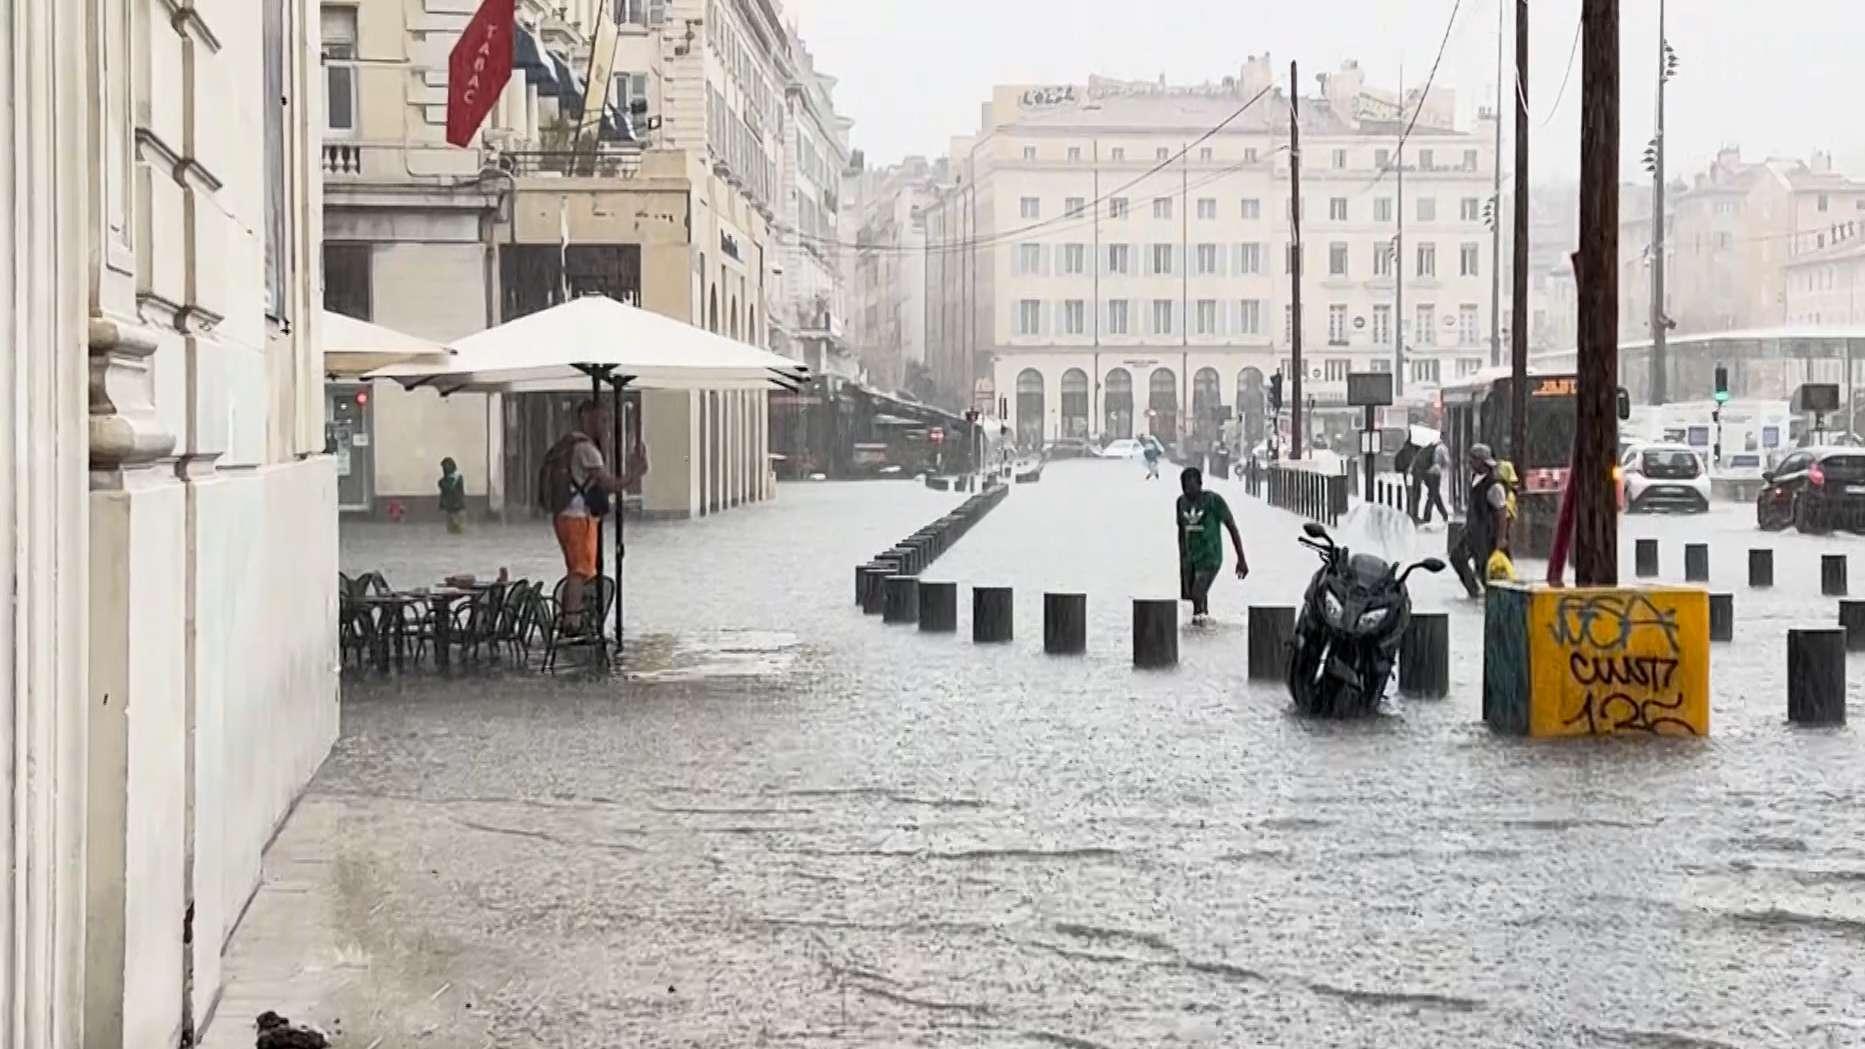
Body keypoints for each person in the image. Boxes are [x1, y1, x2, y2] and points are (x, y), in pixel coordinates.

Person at [538, 400, 647, 633]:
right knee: (579, 571)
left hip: (567, 515)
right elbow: (608, 484)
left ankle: (572, 617)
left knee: (579, 569)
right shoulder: (587, 449)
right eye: (602, 420)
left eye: (606, 420)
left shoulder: (572, 444)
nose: (605, 426)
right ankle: (572, 623)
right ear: (586, 419)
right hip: (577, 517)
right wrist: (634, 474)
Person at [1176, 467, 1249, 623]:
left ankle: (1198, 629)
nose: (1188, 492)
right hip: (1191, 558)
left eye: (1192, 487)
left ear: (1200, 484)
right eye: (1185, 487)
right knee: (1193, 596)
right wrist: (1183, 560)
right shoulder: (1181, 502)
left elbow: (1232, 527)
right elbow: (1181, 532)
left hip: (1211, 555)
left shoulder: (1213, 501)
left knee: (1197, 593)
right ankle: (1204, 626)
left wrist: (1241, 558)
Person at [1449, 443, 1509, 598]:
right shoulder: (1476, 478)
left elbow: (1502, 512)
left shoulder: (1494, 485)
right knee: (1457, 556)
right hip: (1473, 532)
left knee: (1484, 567)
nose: (1470, 463)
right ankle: (1474, 592)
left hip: (1487, 534)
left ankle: (1491, 597)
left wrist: (1501, 538)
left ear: (1482, 462)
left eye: (1473, 460)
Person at [1416, 441, 1451, 526]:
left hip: (1427, 473)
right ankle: (1433, 516)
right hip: (1435, 473)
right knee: (1433, 495)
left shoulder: (1430, 447)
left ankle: (1440, 515)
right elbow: (1445, 461)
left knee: (1433, 494)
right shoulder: (1442, 448)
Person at [437, 457, 467, 534]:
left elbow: (450, 488)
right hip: (449, 509)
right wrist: (442, 505)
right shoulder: (443, 480)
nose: (444, 469)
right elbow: (443, 494)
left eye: (446, 467)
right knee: (451, 531)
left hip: (458, 508)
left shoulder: (458, 478)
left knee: (459, 531)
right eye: (443, 467)